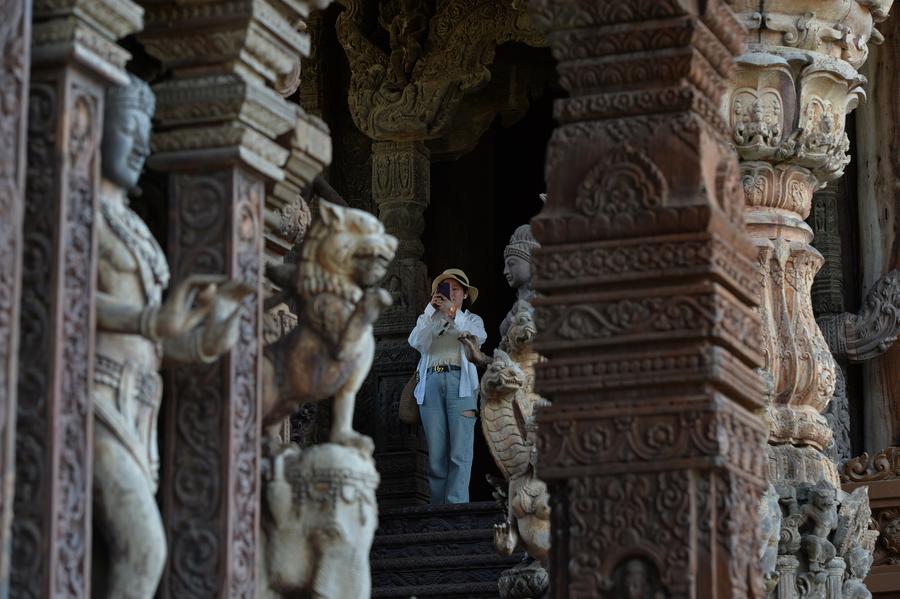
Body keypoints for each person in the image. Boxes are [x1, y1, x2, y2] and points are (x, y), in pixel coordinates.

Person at [408, 269, 486, 504]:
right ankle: (437, 509)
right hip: (431, 383)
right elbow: (415, 341)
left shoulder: (471, 319)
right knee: (436, 455)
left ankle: (457, 508)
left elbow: (478, 337)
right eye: (444, 289)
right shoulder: (427, 319)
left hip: (459, 385)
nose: (450, 293)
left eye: (455, 289)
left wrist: (451, 312)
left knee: (460, 453)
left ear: (464, 295)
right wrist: (431, 311)